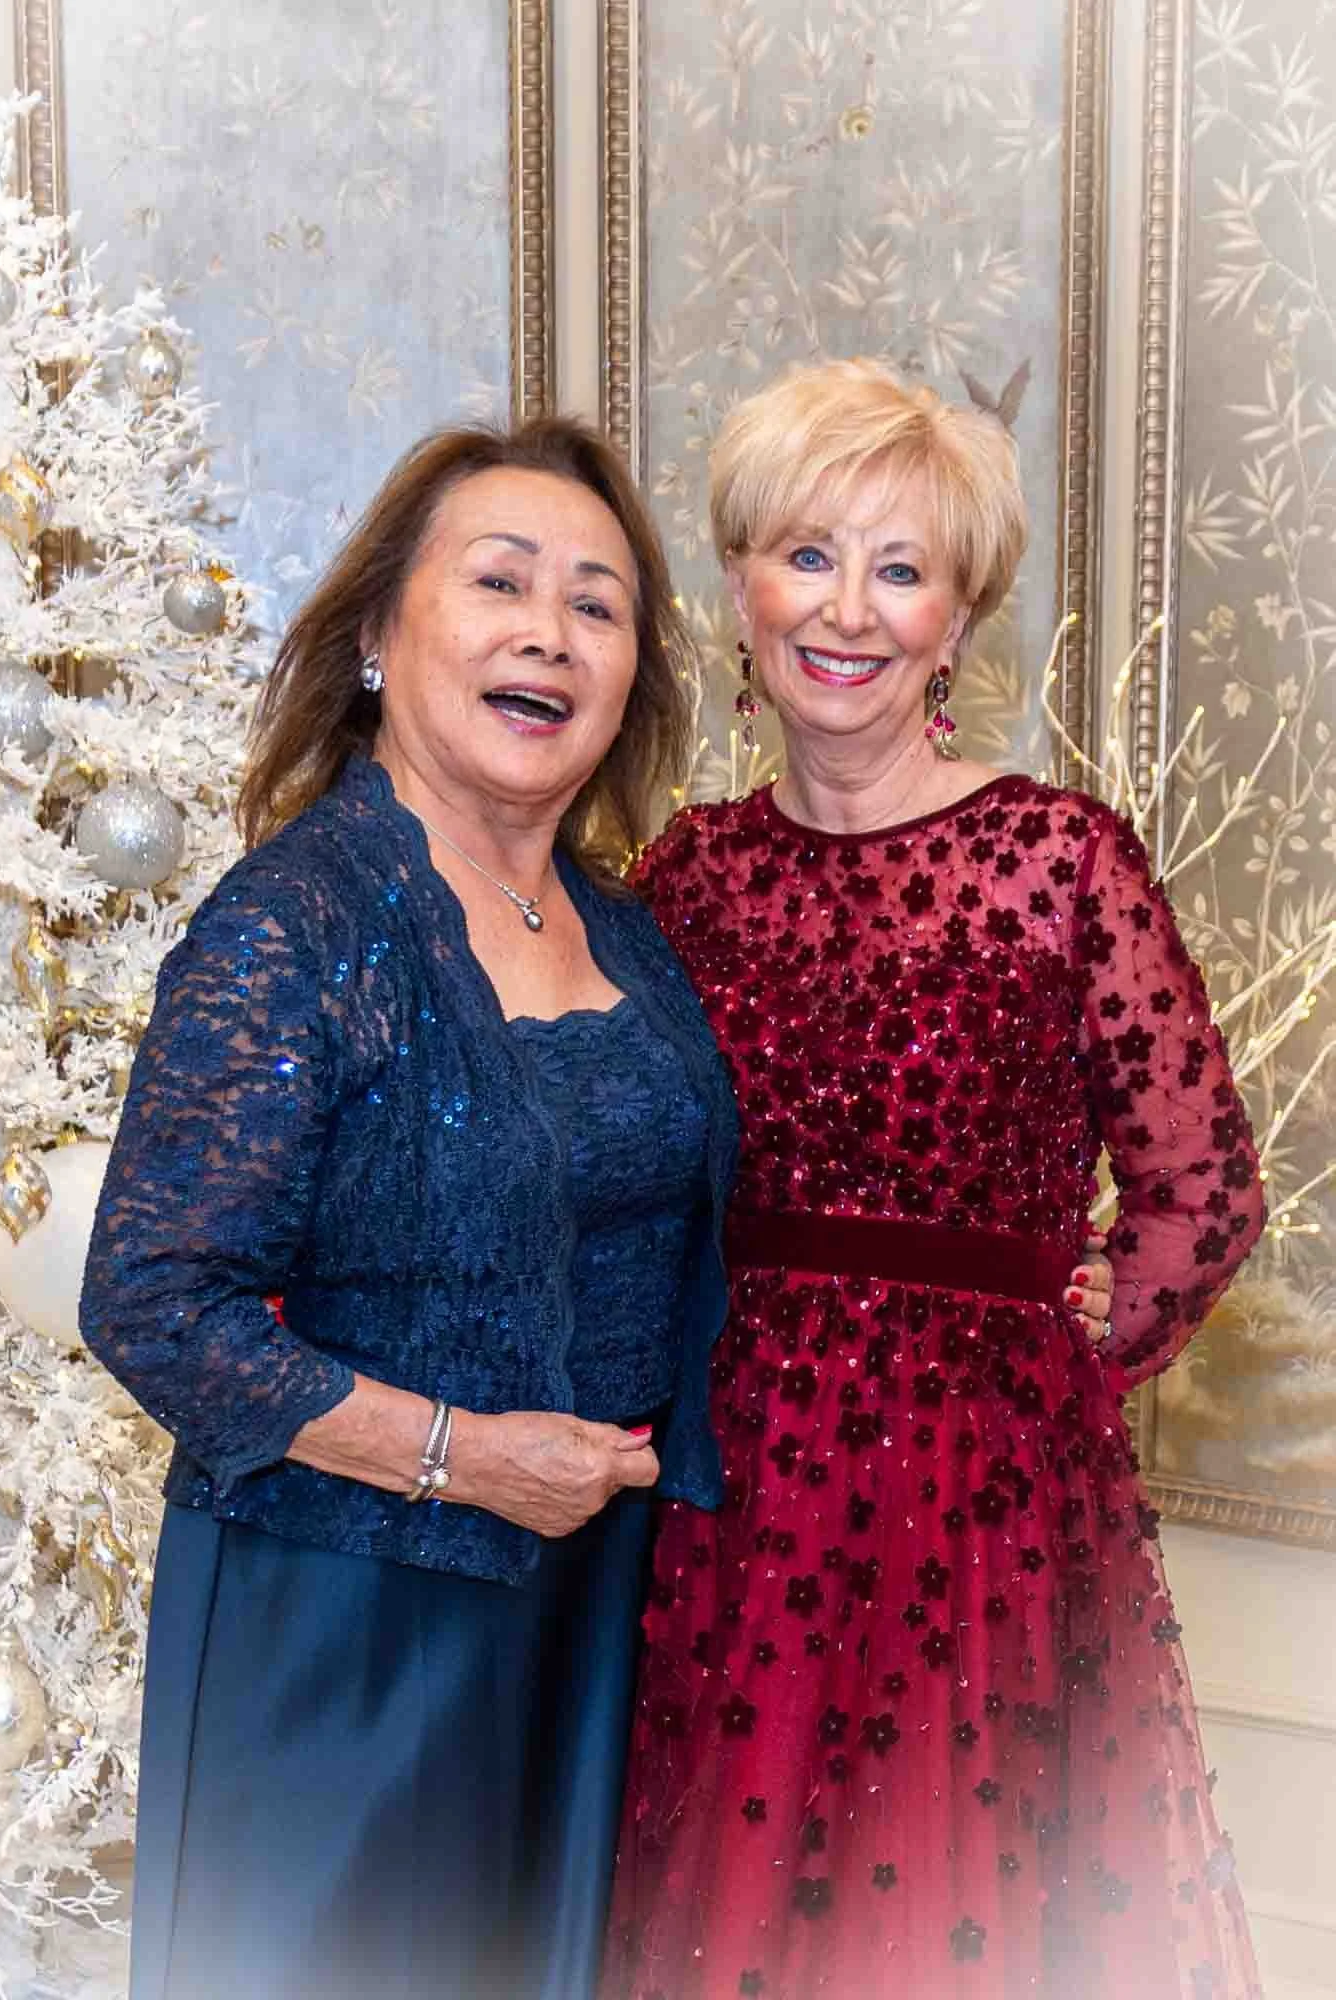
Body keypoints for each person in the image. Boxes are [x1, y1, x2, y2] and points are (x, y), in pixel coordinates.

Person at [605, 360, 1266, 2000]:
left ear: (956, 619)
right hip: (736, 1495)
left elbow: (1203, 1181)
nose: (849, 609)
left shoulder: (1060, 862)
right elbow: (628, 1181)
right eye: (808, 555)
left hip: (985, 1503)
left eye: (900, 569)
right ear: (743, 589)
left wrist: (1076, 1346)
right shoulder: (685, 878)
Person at [77, 416, 745, 2000]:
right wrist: (464, 1459)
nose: (549, 631)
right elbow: (154, 1304)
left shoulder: (627, 935)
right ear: (380, 635)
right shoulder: (291, 926)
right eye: (500, 581)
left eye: (595, 604)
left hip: (583, 1618)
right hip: (346, 1629)